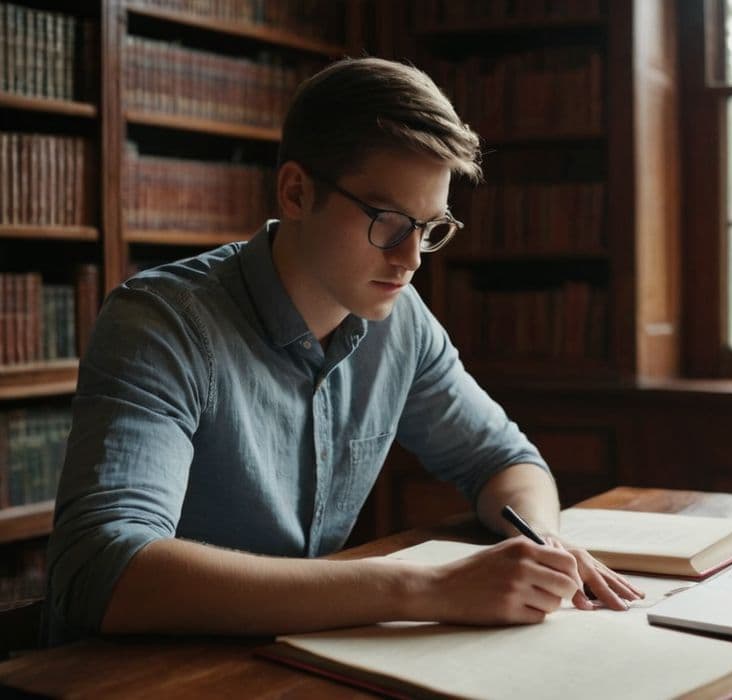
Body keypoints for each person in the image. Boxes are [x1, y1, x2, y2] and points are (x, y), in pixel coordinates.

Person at [45, 57, 642, 644]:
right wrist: (422, 588)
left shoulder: (399, 321)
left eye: (431, 228)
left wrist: (541, 544)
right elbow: (103, 570)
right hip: (134, 677)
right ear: (297, 192)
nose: (410, 259)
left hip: (288, 665)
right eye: (388, 220)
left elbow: (506, 461)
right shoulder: (161, 324)